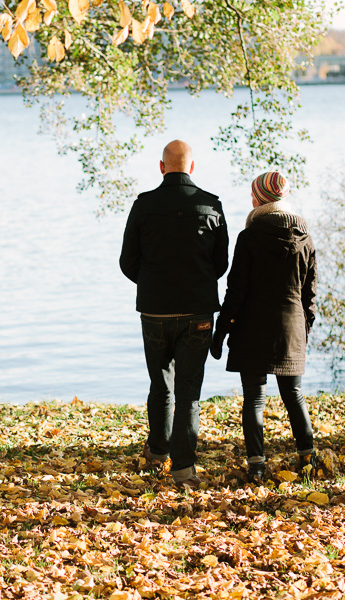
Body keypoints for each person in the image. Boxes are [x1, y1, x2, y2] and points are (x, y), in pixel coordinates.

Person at [119, 140, 229, 489]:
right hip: (197, 310)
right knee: (189, 392)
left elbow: (127, 262)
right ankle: (183, 469)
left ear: (162, 166)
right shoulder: (211, 205)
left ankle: (158, 450)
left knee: (160, 385)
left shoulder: (144, 205)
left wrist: (153, 284)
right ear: (192, 168)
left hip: (154, 310)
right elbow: (221, 263)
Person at [210, 171, 319, 484]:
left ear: (258, 198)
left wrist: (222, 332)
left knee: (254, 399)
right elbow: (309, 294)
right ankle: (307, 458)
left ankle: (257, 465)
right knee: (294, 395)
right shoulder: (305, 237)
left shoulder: (250, 236)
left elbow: (236, 291)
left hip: (252, 328)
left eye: (252, 195)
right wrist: (304, 329)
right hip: (291, 326)